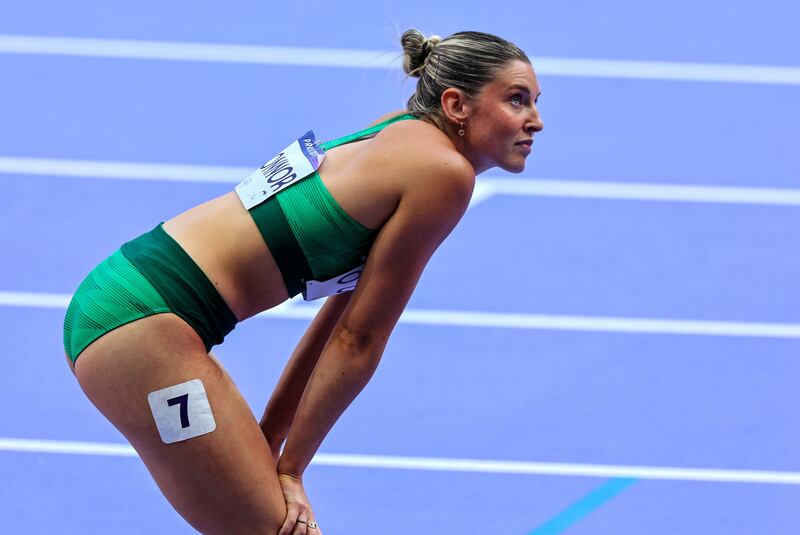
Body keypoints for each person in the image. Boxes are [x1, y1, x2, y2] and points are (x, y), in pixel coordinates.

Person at [62, 29, 543, 535]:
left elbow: (340, 319)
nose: (536, 119)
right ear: (456, 105)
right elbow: (359, 342)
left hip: (126, 297)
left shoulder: (395, 131)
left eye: (534, 101)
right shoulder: (444, 174)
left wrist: (275, 449)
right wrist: (290, 471)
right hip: (141, 326)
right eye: (517, 100)